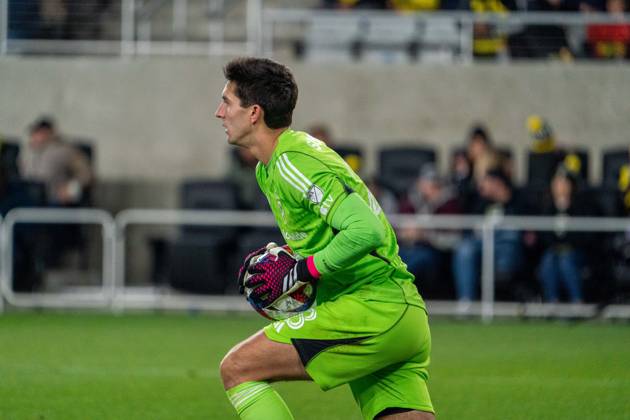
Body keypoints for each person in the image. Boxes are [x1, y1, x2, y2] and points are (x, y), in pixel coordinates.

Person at [216, 57, 434, 420]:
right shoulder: (270, 168)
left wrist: (302, 271)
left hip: (371, 311)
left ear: (254, 113)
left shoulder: (291, 161)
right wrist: (289, 257)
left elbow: (367, 230)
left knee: (238, 368)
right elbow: (334, 232)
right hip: (401, 314)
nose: (218, 112)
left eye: (226, 102)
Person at [452, 168, 526, 310]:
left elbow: (524, 226)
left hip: (506, 244)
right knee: (464, 249)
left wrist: (504, 199)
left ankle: (507, 296)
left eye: (486, 182)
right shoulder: (481, 200)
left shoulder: (517, 198)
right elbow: (470, 224)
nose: (482, 186)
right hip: (481, 243)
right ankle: (467, 302)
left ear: (497, 183)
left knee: (510, 239)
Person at [537, 166, 593, 303]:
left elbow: (585, 236)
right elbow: (544, 235)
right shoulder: (547, 207)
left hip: (576, 252)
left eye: (563, 183)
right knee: (548, 260)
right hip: (553, 251)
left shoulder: (581, 206)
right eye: (557, 183)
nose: (560, 187)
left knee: (566, 261)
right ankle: (552, 301)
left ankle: (577, 301)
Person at [398, 164, 461, 284]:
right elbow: (398, 226)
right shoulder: (411, 200)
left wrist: (425, 235)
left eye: (432, 185)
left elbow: (453, 239)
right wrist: (406, 233)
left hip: (434, 251)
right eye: (424, 183)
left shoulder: (449, 204)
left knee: (407, 267)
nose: (426, 187)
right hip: (408, 246)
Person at [20, 116, 93, 206]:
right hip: (26, 198)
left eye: (40, 132)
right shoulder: (27, 151)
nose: (36, 136)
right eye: (35, 132)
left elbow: (86, 173)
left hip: (52, 200)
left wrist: (71, 189)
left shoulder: (64, 150)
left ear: (49, 132)